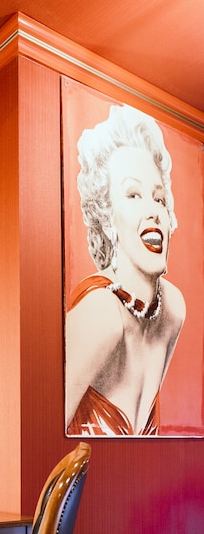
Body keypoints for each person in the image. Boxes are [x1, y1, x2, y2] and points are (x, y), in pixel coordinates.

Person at [65, 104, 185, 436]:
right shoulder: (101, 314)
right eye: (133, 195)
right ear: (107, 217)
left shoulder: (173, 309)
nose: (154, 211)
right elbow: (39, 436)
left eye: (159, 199)